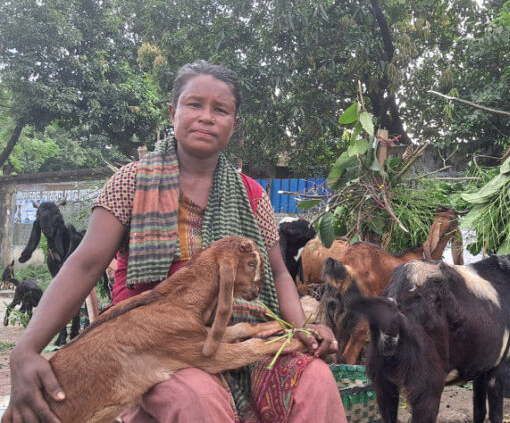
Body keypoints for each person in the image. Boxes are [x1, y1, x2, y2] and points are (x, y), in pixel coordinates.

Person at [3, 60, 346, 423]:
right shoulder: (131, 183)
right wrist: (25, 349)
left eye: (221, 109)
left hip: (236, 337)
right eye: (194, 104)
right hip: (150, 347)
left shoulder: (253, 196)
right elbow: (85, 264)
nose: (207, 117)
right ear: (173, 112)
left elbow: (278, 274)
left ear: (235, 125)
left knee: (315, 381)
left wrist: (302, 330)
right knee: (195, 398)